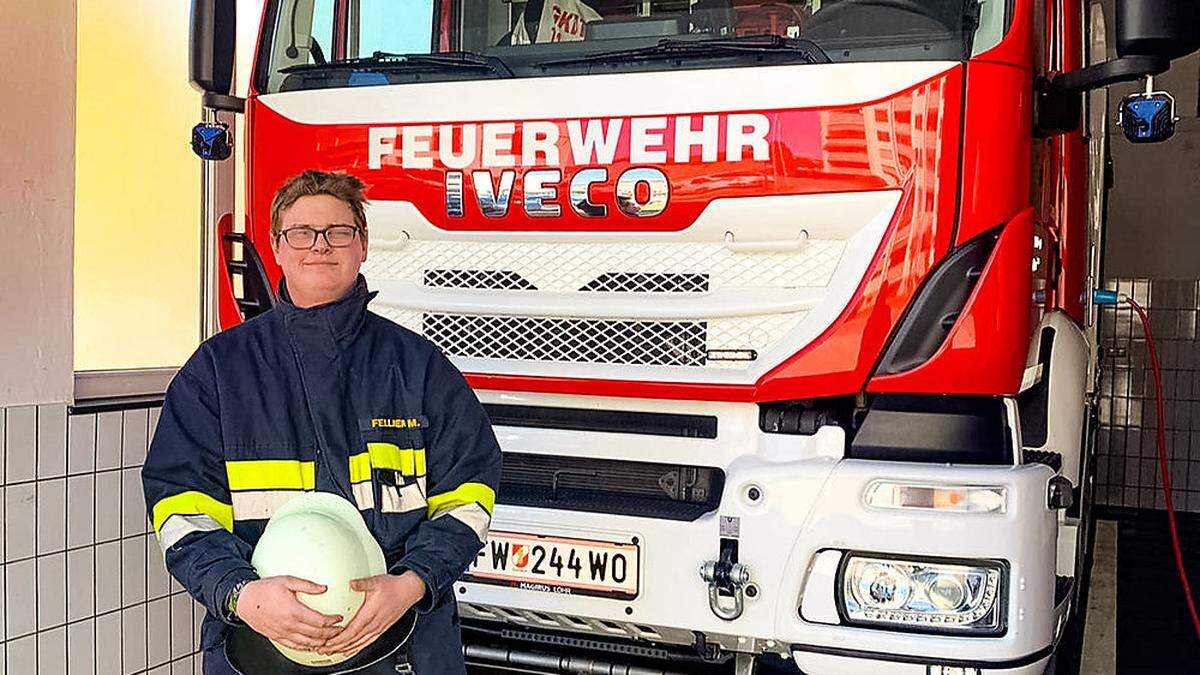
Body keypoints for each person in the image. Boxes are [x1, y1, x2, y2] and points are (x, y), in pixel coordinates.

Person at [142, 170, 502, 674]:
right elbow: (180, 505)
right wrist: (240, 594)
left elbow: (470, 491)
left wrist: (413, 581)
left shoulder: (418, 366)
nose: (320, 247)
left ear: (363, 245)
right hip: (261, 644)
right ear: (277, 247)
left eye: (338, 232)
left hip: (405, 642)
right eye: (301, 233)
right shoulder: (218, 371)